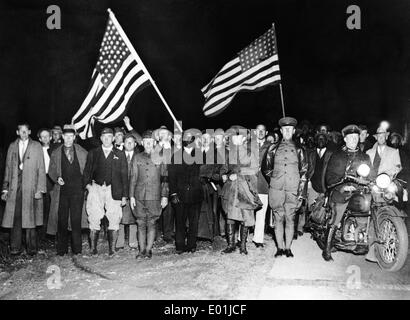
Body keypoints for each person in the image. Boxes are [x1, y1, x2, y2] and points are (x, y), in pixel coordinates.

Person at [324, 124, 375, 261]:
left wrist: (372, 181)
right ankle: (327, 249)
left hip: (360, 191)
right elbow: (329, 177)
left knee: (372, 206)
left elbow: (371, 175)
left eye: (356, 137)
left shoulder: (365, 157)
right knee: (338, 212)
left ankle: (366, 240)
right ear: (345, 139)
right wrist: (343, 186)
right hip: (341, 190)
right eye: (350, 137)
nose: (353, 140)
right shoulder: (337, 155)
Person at [262, 117, 308, 258]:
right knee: (278, 218)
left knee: (290, 219)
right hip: (276, 190)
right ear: (281, 131)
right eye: (285, 129)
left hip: (293, 191)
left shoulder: (300, 149)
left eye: (290, 129)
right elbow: (266, 168)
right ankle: (279, 248)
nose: (287, 131)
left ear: (294, 131)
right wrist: (276, 179)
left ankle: (288, 248)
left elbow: (304, 173)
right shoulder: (272, 148)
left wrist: (301, 193)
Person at [1, 123, 46, 255]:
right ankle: (15, 247)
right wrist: (5, 189)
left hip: (31, 187)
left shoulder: (36, 146)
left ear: (30, 132)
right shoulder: (12, 146)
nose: (24, 134)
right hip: (15, 187)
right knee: (16, 217)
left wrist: (40, 189)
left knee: (30, 218)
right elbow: (8, 169)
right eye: (21, 131)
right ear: (17, 133)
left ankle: (31, 248)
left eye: (26, 131)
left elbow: (41, 168)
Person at [83, 127, 128, 256]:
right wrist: (88, 186)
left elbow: (124, 176)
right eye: (104, 137)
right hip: (96, 188)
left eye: (109, 136)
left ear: (113, 138)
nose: (107, 139)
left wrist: (124, 195)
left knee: (114, 217)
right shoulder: (93, 153)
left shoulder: (119, 154)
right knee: (94, 216)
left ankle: (112, 250)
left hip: (113, 189)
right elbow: (87, 171)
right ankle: (93, 249)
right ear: (101, 138)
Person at [47, 125, 88, 256]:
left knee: (76, 220)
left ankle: (77, 250)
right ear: (63, 137)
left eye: (71, 136)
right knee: (62, 220)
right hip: (62, 191)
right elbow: (51, 170)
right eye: (67, 136)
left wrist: (85, 184)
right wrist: (57, 178)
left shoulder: (82, 151)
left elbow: (88, 169)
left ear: (74, 137)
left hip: (77, 191)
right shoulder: (56, 153)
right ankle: (61, 250)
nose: (69, 139)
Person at [220, 126, 261, 255]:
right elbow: (224, 168)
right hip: (232, 190)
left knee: (245, 217)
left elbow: (254, 171)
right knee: (230, 218)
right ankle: (231, 245)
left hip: (245, 190)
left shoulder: (250, 153)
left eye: (237, 136)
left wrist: (237, 175)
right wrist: (224, 175)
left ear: (244, 138)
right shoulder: (230, 153)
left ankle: (243, 246)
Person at [130, 130, 169, 259]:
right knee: (140, 223)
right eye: (146, 142)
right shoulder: (137, 157)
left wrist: (164, 196)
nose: (148, 144)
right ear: (142, 143)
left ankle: (148, 250)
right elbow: (133, 178)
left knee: (152, 222)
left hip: (155, 196)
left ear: (154, 142)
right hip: (139, 196)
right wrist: (131, 196)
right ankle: (141, 251)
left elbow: (165, 179)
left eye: (150, 142)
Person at [168, 130, 203, 254]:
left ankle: (192, 245)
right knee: (180, 221)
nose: (188, 141)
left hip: (195, 195)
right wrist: (173, 194)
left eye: (190, 139)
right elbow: (171, 177)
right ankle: (180, 245)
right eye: (185, 139)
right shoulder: (176, 156)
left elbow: (204, 173)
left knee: (194, 221)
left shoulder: (200, 156)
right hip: (180, 195)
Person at [301, 133, 333, 234]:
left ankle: (321, 230)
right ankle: (311, 228)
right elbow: (307, 168)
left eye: (323, 139)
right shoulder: (311, 154)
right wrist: (307, 180)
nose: (320, 141)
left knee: (323, 209)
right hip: (313, 185)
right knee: (311, 208)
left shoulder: (331, 154)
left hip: (325, 186)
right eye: (318, 139)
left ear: (326, 141)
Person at [115, 133, 139, 251]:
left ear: (135, 144)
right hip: (121, 191)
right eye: (127, 142)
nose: (129, 144)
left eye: (132, 142)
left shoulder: (139, 156)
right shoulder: (118, 156)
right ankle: (119, 242)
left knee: (134, 216)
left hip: (135, 191)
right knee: (120, 216)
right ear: (123, 143)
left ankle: (133, 242)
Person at [252, 124, 271, 248]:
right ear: (255, 132)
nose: (260, 132)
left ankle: (258, 239)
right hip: (250, 183)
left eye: (263, 130)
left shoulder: (270, 147)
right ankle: (240, 238)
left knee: (261, 212)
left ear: (266, 132)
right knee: (247, 210)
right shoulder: (248, 145)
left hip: (264, 183)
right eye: (258, 130)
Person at [37, 128, 53, 245]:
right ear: (39, 139)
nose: (45, 138)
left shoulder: (55, 149)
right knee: (42, 207)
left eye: (47, 136)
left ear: (51, 137)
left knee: (52, 207)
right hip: (41, 179)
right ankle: (41, 236)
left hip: (52, 179)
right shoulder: (37, 150)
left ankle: (52, 234)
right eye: (43, 136)